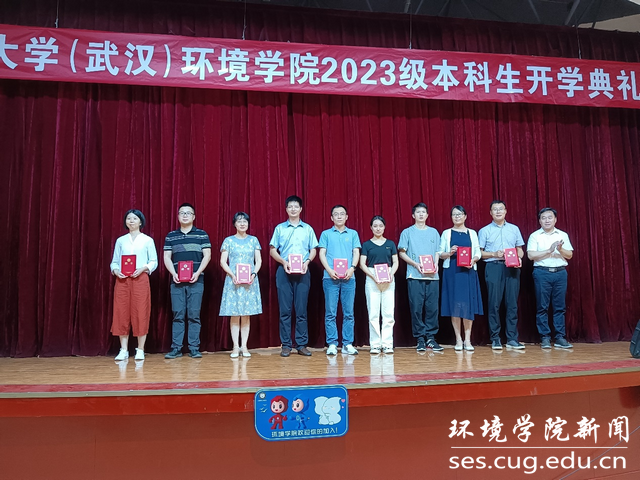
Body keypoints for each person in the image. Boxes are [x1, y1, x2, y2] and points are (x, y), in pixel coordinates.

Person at [269, 195, 318, 357]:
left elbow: (313, 249)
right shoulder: (280, 228)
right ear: (286, 209)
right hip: (284, 271)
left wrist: (307, 262)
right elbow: (272, 250)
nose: (293, 209)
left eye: (296, 206)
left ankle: (301, 344)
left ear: (301, 209)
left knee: (301, 310)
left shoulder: (308, 229)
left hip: (303, 271)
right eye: (290, 206)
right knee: (285, 310)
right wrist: (283, 262)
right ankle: (286, 345)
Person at [163, 203, 212, 359]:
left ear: (194, 216)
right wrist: (173, 273)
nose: (185, 215)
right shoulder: (171, 236)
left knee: (194, 315)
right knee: (178, 314)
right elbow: (166, 257)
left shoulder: (202, 235)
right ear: (178, 216)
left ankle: (194, 348)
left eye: (188, 213)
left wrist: (198, 273)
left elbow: (207, 256)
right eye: (182, 213)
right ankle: (176, 348)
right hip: (176, 281)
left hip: (197, 280)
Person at [110, 209, 158, 361]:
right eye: (128, 218)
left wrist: (143, 268)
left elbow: (153, 261)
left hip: (140, 279)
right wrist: (116, 270)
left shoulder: (147, 240)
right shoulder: (121, 240)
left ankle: (140, 349)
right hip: (122, 280)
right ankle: (123, 349)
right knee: (121, 312)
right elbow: (114, 261)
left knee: (140, 312)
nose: (131, 221)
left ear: (140, 222)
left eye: (135, 218)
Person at [478, 200, 525, 351]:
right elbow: (479, 253)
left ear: (506, 211)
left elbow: (519, 249)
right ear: (490, 213)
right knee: (494, 303)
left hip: (512, 268)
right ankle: (495, 338)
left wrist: (519, 258)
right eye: (495, 209)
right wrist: (493, 254)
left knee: (512, 303)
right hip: (493, 267)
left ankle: (512, 338)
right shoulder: (484, 230)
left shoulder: (514, 229)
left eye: (501, 209)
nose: (498, 211)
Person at [527, 207, 574, 349]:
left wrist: (560, 249)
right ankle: (545, 337)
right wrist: (549, 250)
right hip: (542, 273)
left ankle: (560, 337)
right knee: (542, 306)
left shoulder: (562, 235)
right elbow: (531, 255)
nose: (547, 220)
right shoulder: (535, 236)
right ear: (539, 221)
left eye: (550, 217)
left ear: (555, 220)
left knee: (560, 307)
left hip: (560, 273)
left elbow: (570, 255)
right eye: (544, 218)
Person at [398, 203, 443, 353]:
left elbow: (437, 251)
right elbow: (402, 253)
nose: (421, 214)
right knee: (416, 308)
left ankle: (431, 338)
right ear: (413, 215)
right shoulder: (407, 232)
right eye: (418, 212)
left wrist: (436, 264)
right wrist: (415, 264)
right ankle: (420, 339)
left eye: (424, 212)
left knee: (432, 308)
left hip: (432, 276)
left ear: (427, 215)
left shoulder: (434, 232)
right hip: (414, 275)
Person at [438, 206, 483, 352]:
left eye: (459, 214)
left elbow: (477, 252)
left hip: (468, 272)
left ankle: (467, 340)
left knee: (468, 305)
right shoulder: (447, 233)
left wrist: (473, 260)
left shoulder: (472, 233)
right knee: (455, 305)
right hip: (452, 272)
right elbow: (440, 253)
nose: (457, 217)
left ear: (465, 216)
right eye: (454, 214)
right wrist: (449, 253)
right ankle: (458, 339)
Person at [318, 205, 361, 356]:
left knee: (348, 313)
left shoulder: (353, 234)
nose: (339, 216)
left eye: (342, 214)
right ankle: (332, 343)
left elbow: (356, 252)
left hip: (349, 277)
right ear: (332, 218)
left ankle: (347, 343)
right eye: (336, 214)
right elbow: (322, 253)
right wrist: (329, 270)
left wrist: (352, 268)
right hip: (330, 278)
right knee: (331, 312)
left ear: (346, 217)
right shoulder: (326, 234)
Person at [219, 212, 263, 358]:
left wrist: (253, 274)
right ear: (234, 224)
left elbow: (259, 261)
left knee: (245, 314)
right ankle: (235, 347)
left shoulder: (254, 240)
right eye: (239, 221)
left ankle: (244, 346)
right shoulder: (228, 241)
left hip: (249, 281)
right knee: (234, 314)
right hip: (233, 281)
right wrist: (232, 275)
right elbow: (223, 261)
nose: (242, 223)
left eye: (245, 221)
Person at [359, 215, 399, 354]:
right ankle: (375, 344)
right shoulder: (366, 245)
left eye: (380, 226)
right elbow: (362, 264)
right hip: (372, 277)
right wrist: (373, 276)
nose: (378, 228)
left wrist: (391, 274)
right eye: (375, 226)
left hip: (388, 277)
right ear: (371, 227)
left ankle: (387, 344)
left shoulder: (390, 244)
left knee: (388, 313)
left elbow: (396, 262)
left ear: (384, 227)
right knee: (373, 313)